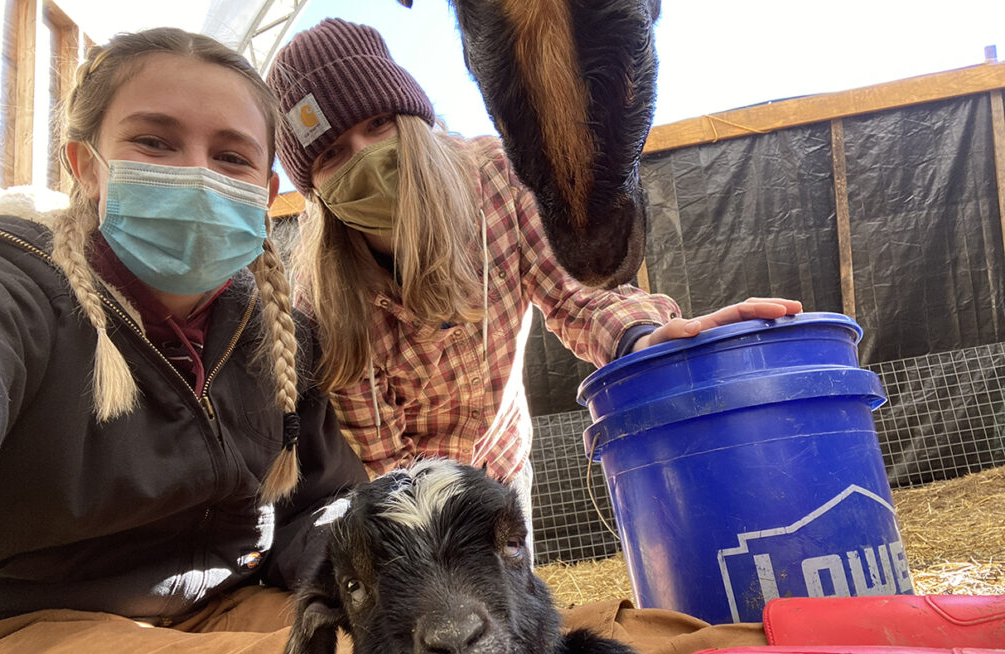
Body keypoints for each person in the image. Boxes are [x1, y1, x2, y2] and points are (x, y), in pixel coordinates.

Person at [0, 27, 369, 654]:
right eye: (155, 143)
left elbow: (318, 502)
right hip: (18, 639)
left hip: (220, 610)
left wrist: (375, 572)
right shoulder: (13, 280)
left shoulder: (275, 334)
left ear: (265, 194)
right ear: (85, 166)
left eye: (230, 156)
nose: (196, 174)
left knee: (569, 647)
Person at [265, 18, 803, 530]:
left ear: (414, 118)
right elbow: (382, 452)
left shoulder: (498, 176)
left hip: (504, 463)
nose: (367, 157)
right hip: (415, 497)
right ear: (314, 190)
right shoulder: (323, 296)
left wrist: (642, 341)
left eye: (379, 124)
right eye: (333, 153)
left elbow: (578, 297)